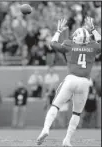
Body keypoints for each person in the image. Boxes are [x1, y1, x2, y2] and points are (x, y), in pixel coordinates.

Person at [37, 17, 101, 147]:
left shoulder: (69, 44)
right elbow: (100, 41)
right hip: (84, 83)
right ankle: (67, 140)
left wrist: (59, 30)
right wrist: (93, 29)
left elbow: (53, 43)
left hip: (71, 79)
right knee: (76, 113)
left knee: (55, 105)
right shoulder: (93, 46)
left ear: (76, 37)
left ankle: (45, 129)